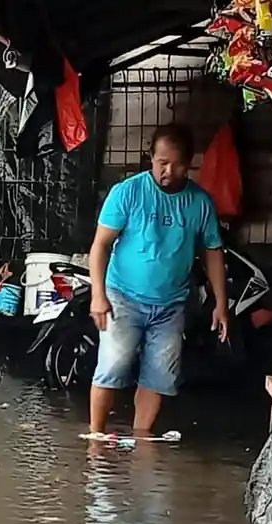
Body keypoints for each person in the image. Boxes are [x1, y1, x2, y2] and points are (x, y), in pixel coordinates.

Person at [88, 123, 228, 435]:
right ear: (150, 157)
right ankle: (96, 436)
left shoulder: (200, 203)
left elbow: (213, 252)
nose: (168, 171)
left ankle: (141, 438)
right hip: (122, 296)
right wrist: (98, 295)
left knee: (160, 376)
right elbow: (100, 246)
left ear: (189, 163)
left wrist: (221, 303)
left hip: (171, 304)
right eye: (162, 162)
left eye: (177, 164)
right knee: (113, 365)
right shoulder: (128, 192)